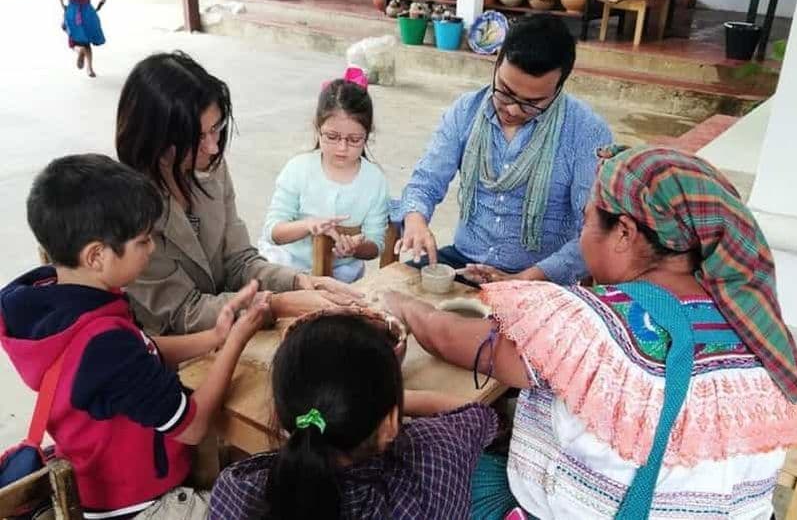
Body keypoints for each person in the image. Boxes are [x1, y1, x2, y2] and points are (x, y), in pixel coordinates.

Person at [383, 146, 797, 519]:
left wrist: (403, 305)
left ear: (623, 232)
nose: (581, 238)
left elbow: (449, 338)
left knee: (416, 467)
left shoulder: (583, 324)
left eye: (585, 221)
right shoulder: (762, 335)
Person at [1, 154, 270, 518]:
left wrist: (213, 337)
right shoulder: (106, 344)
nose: (152, 249)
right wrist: (236, 340)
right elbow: (191, 426)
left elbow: (142, 348)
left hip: (98, 474)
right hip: (136, 505)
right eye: (143, 241)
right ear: (96, 256)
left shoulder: (60, 301)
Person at [116, 51, 363, 336]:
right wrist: (278, 304)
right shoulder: (127, 210)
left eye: (216, 129)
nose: (212, 147)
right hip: (170, 352)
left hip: (233, 324)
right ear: (155, 137)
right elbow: (183, 312)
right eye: (197, 137)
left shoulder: (210, 168)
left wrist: (298, 282)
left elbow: (239, 261)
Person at [208, 311, 498, 520]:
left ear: (281, 410)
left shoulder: (236, 487)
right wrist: (387, 404)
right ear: (388, 426)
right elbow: (479, 415)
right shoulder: (433, 467)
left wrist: (375, 408)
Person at [395, 15, 612, 286]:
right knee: (385, 308)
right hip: (464, 262)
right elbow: (425, 183)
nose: (512, 109)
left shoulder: (586, 132)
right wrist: (415, 220)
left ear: (558, 89)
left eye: (531, 103)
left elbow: (593, 233)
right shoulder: (466, 110)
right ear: (497, 62)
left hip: (539, 279)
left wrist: (521, 279)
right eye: (506, 92)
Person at [258, 67, 389, 283]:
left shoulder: (375, 181)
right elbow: (274, 231)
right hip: (287, 268)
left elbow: (375, 244)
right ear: (317, 129)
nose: (342, 148)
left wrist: (354, 249)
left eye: (354, 139)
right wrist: (308, 225)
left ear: (367, 135)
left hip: (342, 276)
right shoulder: (298, 169)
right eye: (332, 136)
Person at [57, 0, 105, 78]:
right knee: (87, 43)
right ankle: (90, 69)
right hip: (87, 11)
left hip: (72, 11)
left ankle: (79, 50)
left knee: (73, 42)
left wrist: (61, 3)